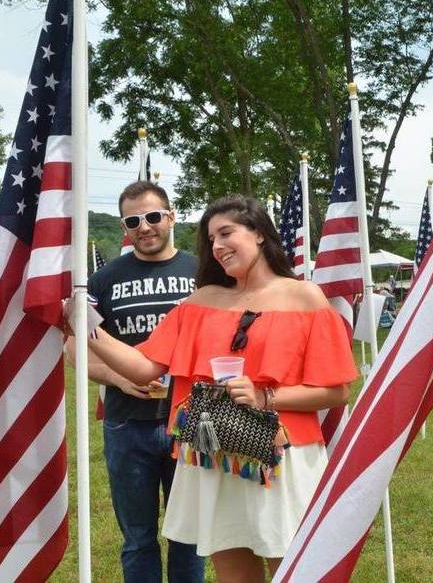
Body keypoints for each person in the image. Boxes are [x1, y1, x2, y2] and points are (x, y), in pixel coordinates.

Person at [79, 194, 355, 582]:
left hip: (283, 458)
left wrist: (264, 396)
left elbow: (336, 392)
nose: (218, 246)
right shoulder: (201, 301)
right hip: (213, 455)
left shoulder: (304, 297)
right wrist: (84, 325)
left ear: (259, 233)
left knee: (293, 570)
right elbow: (143, 368)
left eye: (227, 233)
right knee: (235, 574)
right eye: (211, 239)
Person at [66, 180, 206, 582]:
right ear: (125, 226)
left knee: (190, 536)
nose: (144, 227)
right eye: (133, 220)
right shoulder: (103, 279)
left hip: (193, 424)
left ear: (171, 217)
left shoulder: (201, 274)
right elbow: (75, 349)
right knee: (138, 538)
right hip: (127, 424)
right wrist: (119, 379)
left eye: (153, 216)